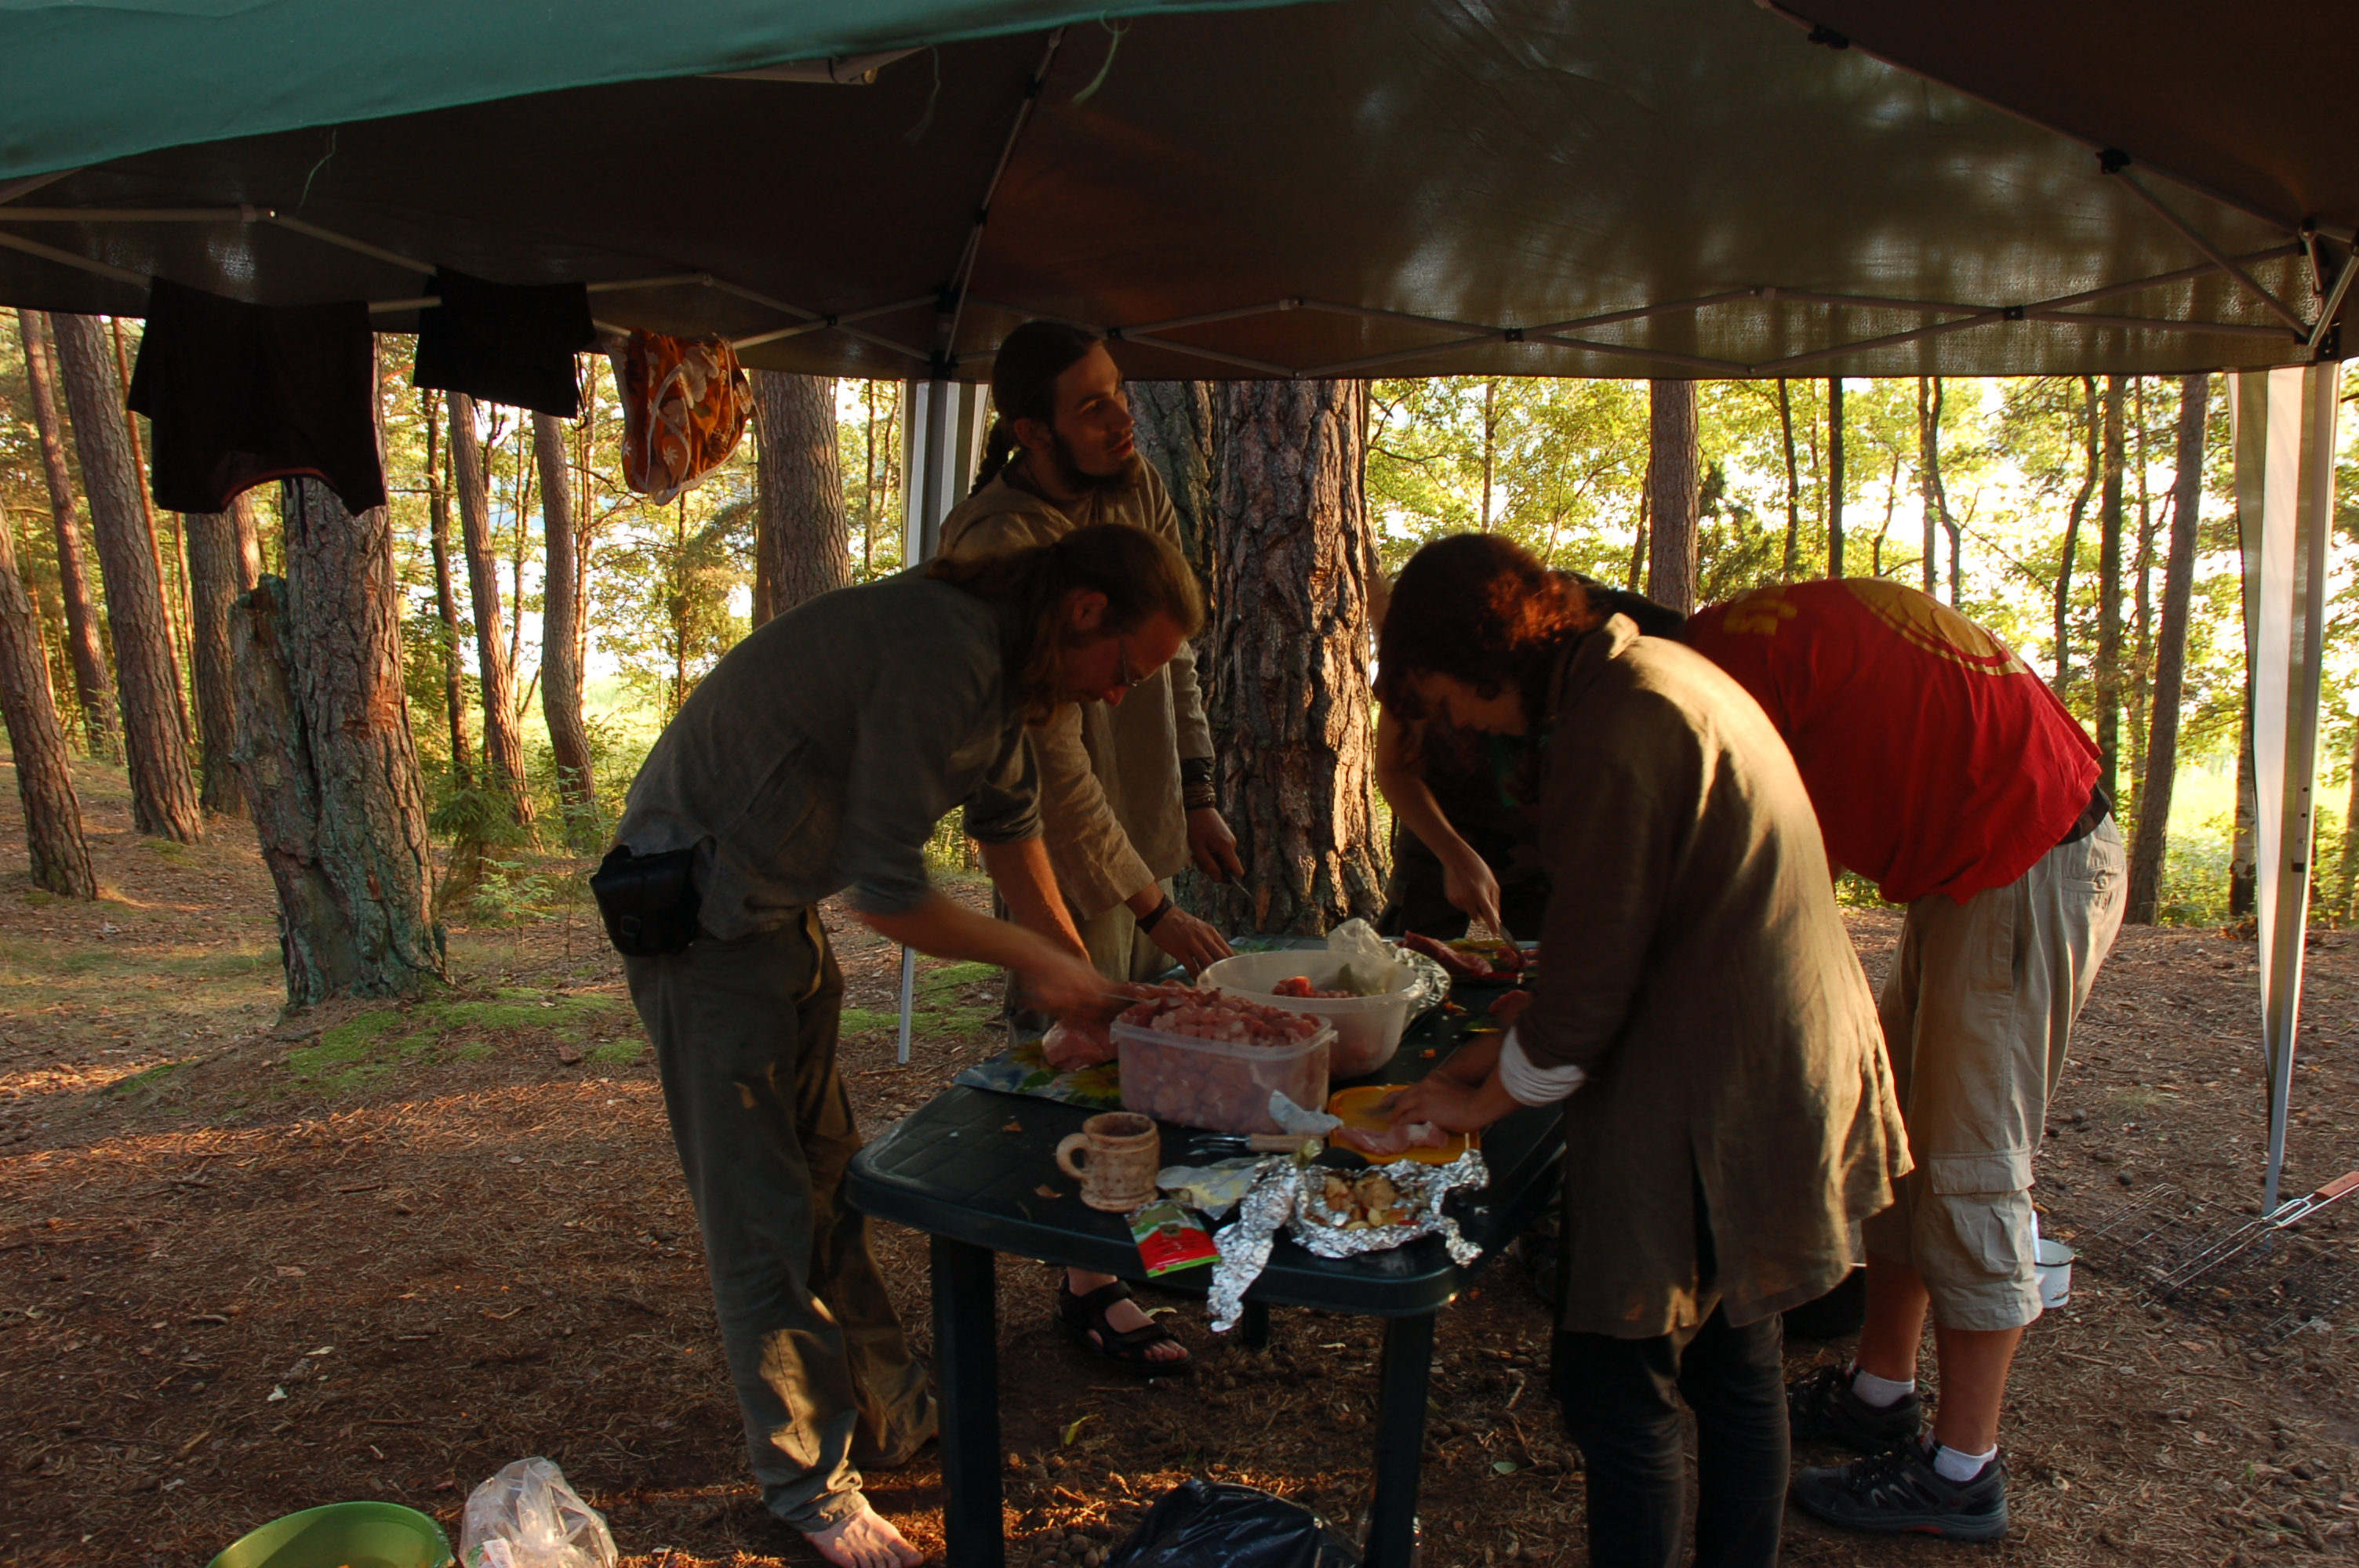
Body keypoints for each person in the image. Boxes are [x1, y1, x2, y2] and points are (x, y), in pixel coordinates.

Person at [607, 524, 1204, 1568]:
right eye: (1127, 669)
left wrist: (1083, 993)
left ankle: (887, 1410)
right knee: (764, 1216)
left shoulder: (1011, 676)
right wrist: (1045, 967)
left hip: (774, 915)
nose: (1117, 696)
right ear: (1084, 612)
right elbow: (891, 893)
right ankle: (807, 1487)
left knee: (836, 1184)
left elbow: (1013, 829)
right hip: (698, 924)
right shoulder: (947, 644)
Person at [1376, 535, 1910, 1568]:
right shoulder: (1654, 672)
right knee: (1733, 1355)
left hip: (1724, 1076)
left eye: (1446, 700)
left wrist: (1483, 1100)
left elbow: (1590, 1000)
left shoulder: (1615, 728)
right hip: (1774, 1046)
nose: (1451, 728)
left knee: (1618, 1382)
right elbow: (1624, 927)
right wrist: (1510, 1033)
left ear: (1487, 661)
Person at [1678, 579, 2123, 1542]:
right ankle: (1879, 1391)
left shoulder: (1718, 689)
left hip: (2029, 852)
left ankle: (1963, 1471)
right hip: (1972, 862)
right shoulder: (1740, 642)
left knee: (1969, 1159)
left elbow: (1756, 892)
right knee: (1906, 1138)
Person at [939, 321, 1244, 1374]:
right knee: (1079, 1057)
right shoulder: (994, 537)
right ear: (1030, 429)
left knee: (1148, 1059)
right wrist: (1147, 900)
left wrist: (1196, 791)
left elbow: (1178, 650)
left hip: (1144, 820)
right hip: (1058, 838)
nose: (1121, 421)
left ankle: (1142, 1244)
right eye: (1092, 407)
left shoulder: (1136, 487)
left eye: (1120, 395)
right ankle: (1089, 1286)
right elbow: (1050, 761)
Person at [1374, 578, 1684, 941]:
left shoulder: (1592, 632)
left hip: (1560, 861)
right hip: (1441, 860)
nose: (1455, 719)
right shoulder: (1410, 668)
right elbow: (1395, 768)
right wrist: (1454, 854)